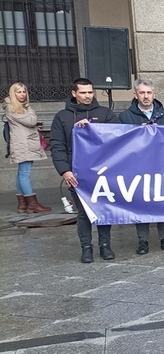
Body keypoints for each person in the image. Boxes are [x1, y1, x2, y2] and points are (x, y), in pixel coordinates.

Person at [50, 78, 118, 262]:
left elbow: (117, 136)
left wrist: (93, 128)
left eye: (90, 92)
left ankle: (105, 245)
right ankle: (86, 248)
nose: (88, 96)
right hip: (77, 174)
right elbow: (57, 146)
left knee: (103, 210)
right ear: (74, 93)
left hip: (103, 172)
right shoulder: (62, 117)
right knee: (83, 213)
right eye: (83, 92)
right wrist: (65, 171)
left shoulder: (105, 113)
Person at [118, 79, 164, 253]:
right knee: (141, 202)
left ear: (154, 94)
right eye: (142, 93)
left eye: (149, 93)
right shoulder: (125, 117)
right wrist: (137, 134)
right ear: (135, 95)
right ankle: (143, 240)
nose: (146, 96)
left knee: (163, 201)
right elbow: (119, 142)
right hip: (138, 166)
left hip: (162, 165)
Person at [4, 82, 52, 213]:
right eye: (19, 92)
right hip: (24, 145)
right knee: (24, 173)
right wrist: (30, 108)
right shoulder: (14, 107)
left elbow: (24, 125)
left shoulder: (16, 107)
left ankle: (22, 205)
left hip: (23, 143)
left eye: (24, 92)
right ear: (13, 94)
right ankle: (32, 204)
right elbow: (31, 121)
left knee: (21, 173)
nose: (22, 94)